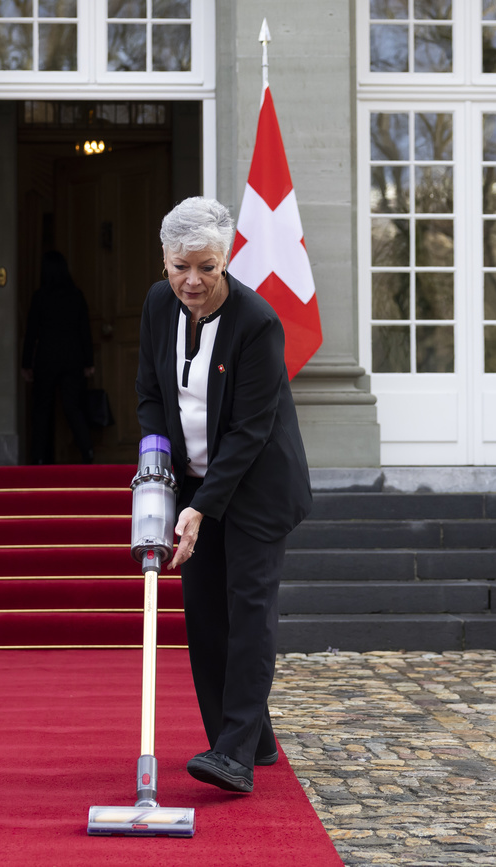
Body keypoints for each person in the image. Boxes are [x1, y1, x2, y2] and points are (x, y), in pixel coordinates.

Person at [136, 196, 313, 794]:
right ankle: (246, 738)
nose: (193, 281)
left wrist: (200, 507)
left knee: (248, 615)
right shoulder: (159, 305)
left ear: (226, 260)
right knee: (207, 618)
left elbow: (249, 432)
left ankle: (233, 755)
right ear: (164, 259)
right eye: (181, 265)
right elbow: (149, 397)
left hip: (258, 490)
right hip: (192, 487)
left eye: (207, 267)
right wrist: (158, 472)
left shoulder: (257, 322)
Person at [22, 250, 96, 464]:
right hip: (73, 358)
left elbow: (31, 332)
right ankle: (87, 452)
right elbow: (85, 330)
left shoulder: (40, 296)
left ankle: (38, 457)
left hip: (46, 359)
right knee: (73, 408)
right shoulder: (76, 295)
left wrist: (26, 363)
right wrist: (89, 362)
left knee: (42, 410)